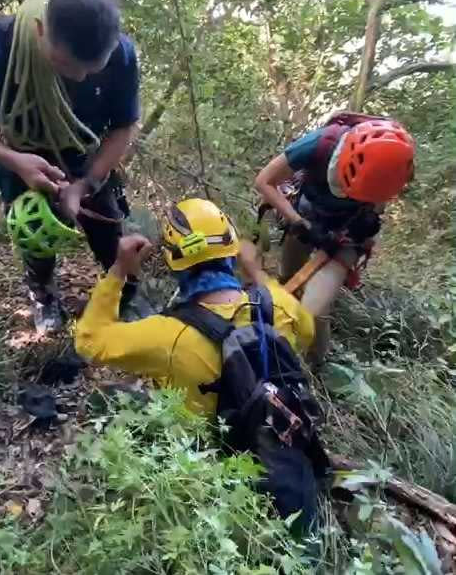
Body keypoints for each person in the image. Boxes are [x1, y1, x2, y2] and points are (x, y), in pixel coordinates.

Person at [76, 199, 327, 531]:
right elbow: (306, 333)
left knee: (107, 398)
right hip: (279, 440)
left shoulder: (164, 336)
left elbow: (89, 341)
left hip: (206, 460)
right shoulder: (278, 307)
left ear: (174, 261)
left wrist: (119, 269)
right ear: (231, 250)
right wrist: (255, 271)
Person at [0, 0, 141, 333]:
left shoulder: (122, 55)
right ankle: (44, 294)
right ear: (40, 31)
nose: (81, 78)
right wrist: (15, 161)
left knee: (109, 230)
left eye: (92, 70)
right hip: (20, 153)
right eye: (68, 65)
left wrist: (85, 184)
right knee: (35, 235)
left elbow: (124, 127)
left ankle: (125, 296)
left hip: (87, 154)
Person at [255, 112, 415, 362]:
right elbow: (264, 181)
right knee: (288, 276)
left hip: (349, 234)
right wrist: (299, 223)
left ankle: (311, 364)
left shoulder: (397, 165)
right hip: (307, 217)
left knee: (313, 310)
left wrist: (366, 223)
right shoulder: (317, 145)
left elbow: (381, 201)